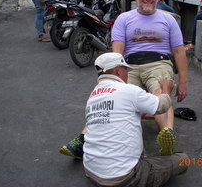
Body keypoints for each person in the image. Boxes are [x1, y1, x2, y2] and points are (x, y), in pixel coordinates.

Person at [59, 0, 188, 161]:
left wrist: (183, 82)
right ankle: (82, 140)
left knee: (160, 91)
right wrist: (110, 77)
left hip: (158, 63)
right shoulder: (124, 18)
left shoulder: (168, 20)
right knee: (110, 96)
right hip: (129, 66)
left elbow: (179, 51)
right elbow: (117, 51)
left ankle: (166, 134)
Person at [79, 52, 188, 187]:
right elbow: (162, 105)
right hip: (123, 178)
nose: (127, 74)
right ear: (119, 70)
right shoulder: (129, 90)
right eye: (126, 70)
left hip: (91, 171)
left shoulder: (93, 97)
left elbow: (123, 113)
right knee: (183, 160)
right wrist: (166, 88)